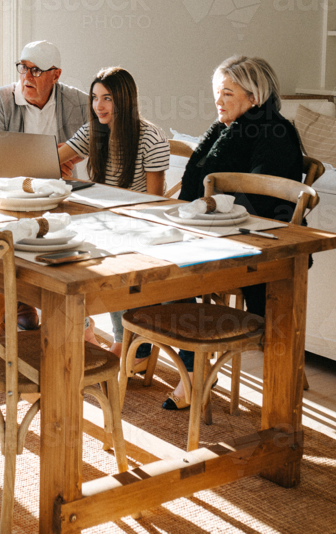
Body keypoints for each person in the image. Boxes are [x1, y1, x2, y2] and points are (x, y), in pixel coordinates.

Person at [160, 54, 304, 410]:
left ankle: (193, 371)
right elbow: (200, 180)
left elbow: (260, 203)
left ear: (254, 96)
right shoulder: (225, 129)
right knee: (153, 260)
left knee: (167, 270)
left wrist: (209, 209)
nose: (218, 101)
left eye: (227, 93)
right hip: (210, 234)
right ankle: (181, 362)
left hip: (253, 248)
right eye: (217, 92)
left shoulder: (276, 132)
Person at [0, 40, 89, 330]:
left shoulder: (77, 102)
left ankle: (70, 310)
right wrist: (45, 162)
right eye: (23, 68)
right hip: (14, 194)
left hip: (60, 193)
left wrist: (74, 153)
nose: (26, 77)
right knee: (9, 231)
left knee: (84, 232)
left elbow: (103, 135)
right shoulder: (2, 99)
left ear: (56, 75)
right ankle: (22, 299)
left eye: (36, 71)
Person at [57, 66, 170, 352]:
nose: (98, 105)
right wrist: (55, 163)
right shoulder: (94, 130)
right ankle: (84, 330)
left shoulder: (150, 137)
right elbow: (51, 160)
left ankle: (126, 343)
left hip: (139, 226)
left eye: (106, 98)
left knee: (106, 258)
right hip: (102, 222)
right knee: (59, 255)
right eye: (95, 98)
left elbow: (155, 203)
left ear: (124, 100)